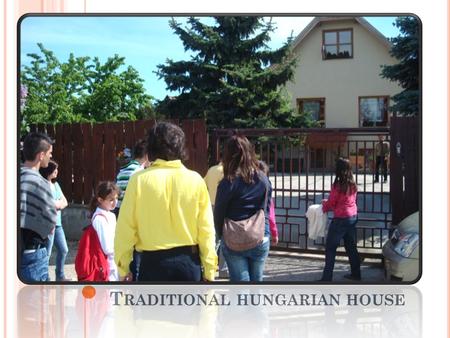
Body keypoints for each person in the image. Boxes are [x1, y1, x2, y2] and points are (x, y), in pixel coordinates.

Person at [115, 122, 217, 282]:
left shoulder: (139, 180)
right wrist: (210, 269)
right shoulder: (195, 180)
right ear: (181, 147)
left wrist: (123, 267)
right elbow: (206, 230)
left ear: (150, 149)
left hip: (152, 264)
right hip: (189, 263)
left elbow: (125, 229)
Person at [214, 135, 272, 282]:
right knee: (257, 283)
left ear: (227, 155)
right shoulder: (263, 178)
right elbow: (267, 208)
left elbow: (218, 214)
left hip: (234, 239)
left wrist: (222, 236)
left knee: (241, 288)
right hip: (260, 236)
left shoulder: (228, 183)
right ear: (249, 152)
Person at [19, 132, 57, 282]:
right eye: (49, 153)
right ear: (41, 155)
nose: (50, 157)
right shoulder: (40, 183)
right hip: (33, 254)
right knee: (36, 304)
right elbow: (50, 220)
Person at [319, 157, 361, 282]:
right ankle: (356, 274)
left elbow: (332, 203)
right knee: (351, 247)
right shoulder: (353, 184)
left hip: (340, 219)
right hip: (352, 217)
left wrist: (324, 204)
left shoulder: (337, 185)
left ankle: (327, 278)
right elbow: (349, 201)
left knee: (331, 248)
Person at [115, 139, 148, 281]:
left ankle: (126, 273)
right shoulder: (138, 172)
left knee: (126, 246)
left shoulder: (123, 169)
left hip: (119, 212)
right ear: (147, 156)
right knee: (137, 253)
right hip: (132, 215)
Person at [39, 159, 70, 281]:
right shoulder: (42, 185)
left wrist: (56, 204)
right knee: (47, 253)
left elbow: (65, 202)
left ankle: (59, 275)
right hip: (48, 224)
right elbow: (47, 204)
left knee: (64, 250)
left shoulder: (56, 185)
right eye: (54, 169)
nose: (57, 171)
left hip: (58, 225)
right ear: (48, 171)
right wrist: (57, 203)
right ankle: (44, 278)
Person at [90, 181, 120, 281]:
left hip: (114, 262)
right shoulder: (99, 219)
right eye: (111, 200)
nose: (115, 202)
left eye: (116, 198)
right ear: (100, 200)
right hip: (106, 264)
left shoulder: (111, 215)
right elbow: (107, 248)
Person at [204, 160, 229, 279]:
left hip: (210, 205)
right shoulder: (227, 171)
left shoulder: (211, 170)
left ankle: (208, 266)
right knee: (225, 238)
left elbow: (204, 184)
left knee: (214, 238)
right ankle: (224, 269)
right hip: (224, 206)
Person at [258, 161, 279, 246]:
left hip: (241, 233)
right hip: (261, 231)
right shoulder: (266, 190)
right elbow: (270, 216)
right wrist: (274, 234)